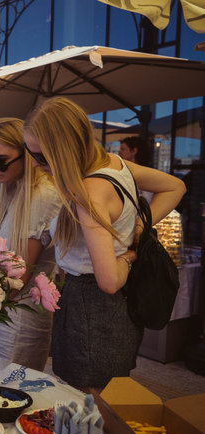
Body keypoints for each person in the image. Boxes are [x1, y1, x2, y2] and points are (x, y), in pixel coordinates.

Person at [23, 97, 186, 391]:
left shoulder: (90, 192)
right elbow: (176, 186)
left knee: (88, 406)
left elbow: (108, 281)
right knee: (99, 400)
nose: (35, 165)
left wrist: (131, 252)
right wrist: (138, 227)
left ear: (66, 151)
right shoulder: (115, 164)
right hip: (105, 311)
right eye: (30, 153)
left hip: (93, 311)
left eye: (42, 157)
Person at [0, 118, 62, 371]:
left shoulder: (41, 195)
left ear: (27, 154)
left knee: (6, 396)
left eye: (1, 160)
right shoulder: (16, 191)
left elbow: (18, 277)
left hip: (18, 321)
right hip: (3, 314)